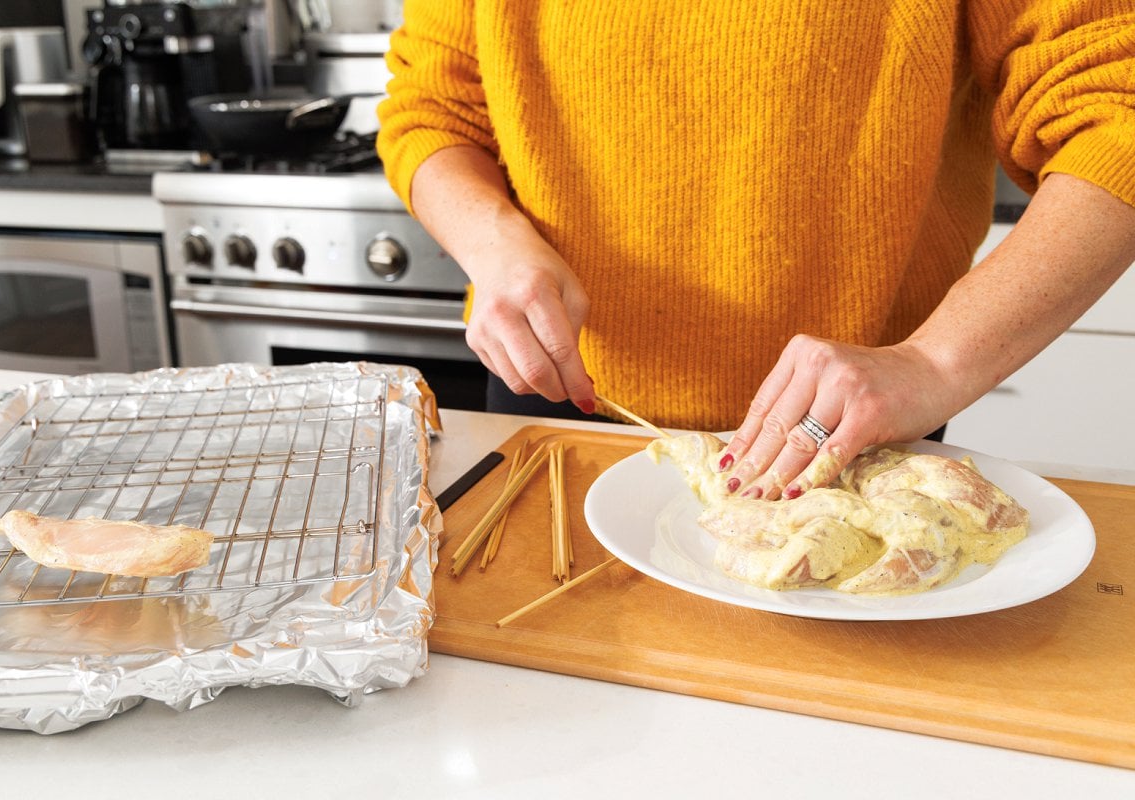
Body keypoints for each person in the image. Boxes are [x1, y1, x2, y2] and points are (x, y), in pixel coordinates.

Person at [376, 2, 1135, 500]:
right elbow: (432, 109)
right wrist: (492, 239)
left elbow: (1117, 115)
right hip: (555, 407)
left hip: (846, 438)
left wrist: (936, 362)